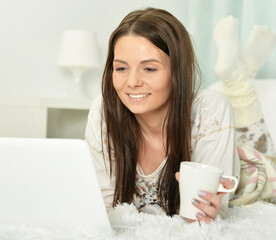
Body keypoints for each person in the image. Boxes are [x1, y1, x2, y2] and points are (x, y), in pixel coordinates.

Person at [85, 7, 241, 224]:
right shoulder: (105, 110)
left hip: (253, 172)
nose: (132, 82)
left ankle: (238, 76)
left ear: (178, 71)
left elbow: (210, 213)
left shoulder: (210, 109)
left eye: (149, 69)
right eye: (121, 68)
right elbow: (103, 206)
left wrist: (207, 214)